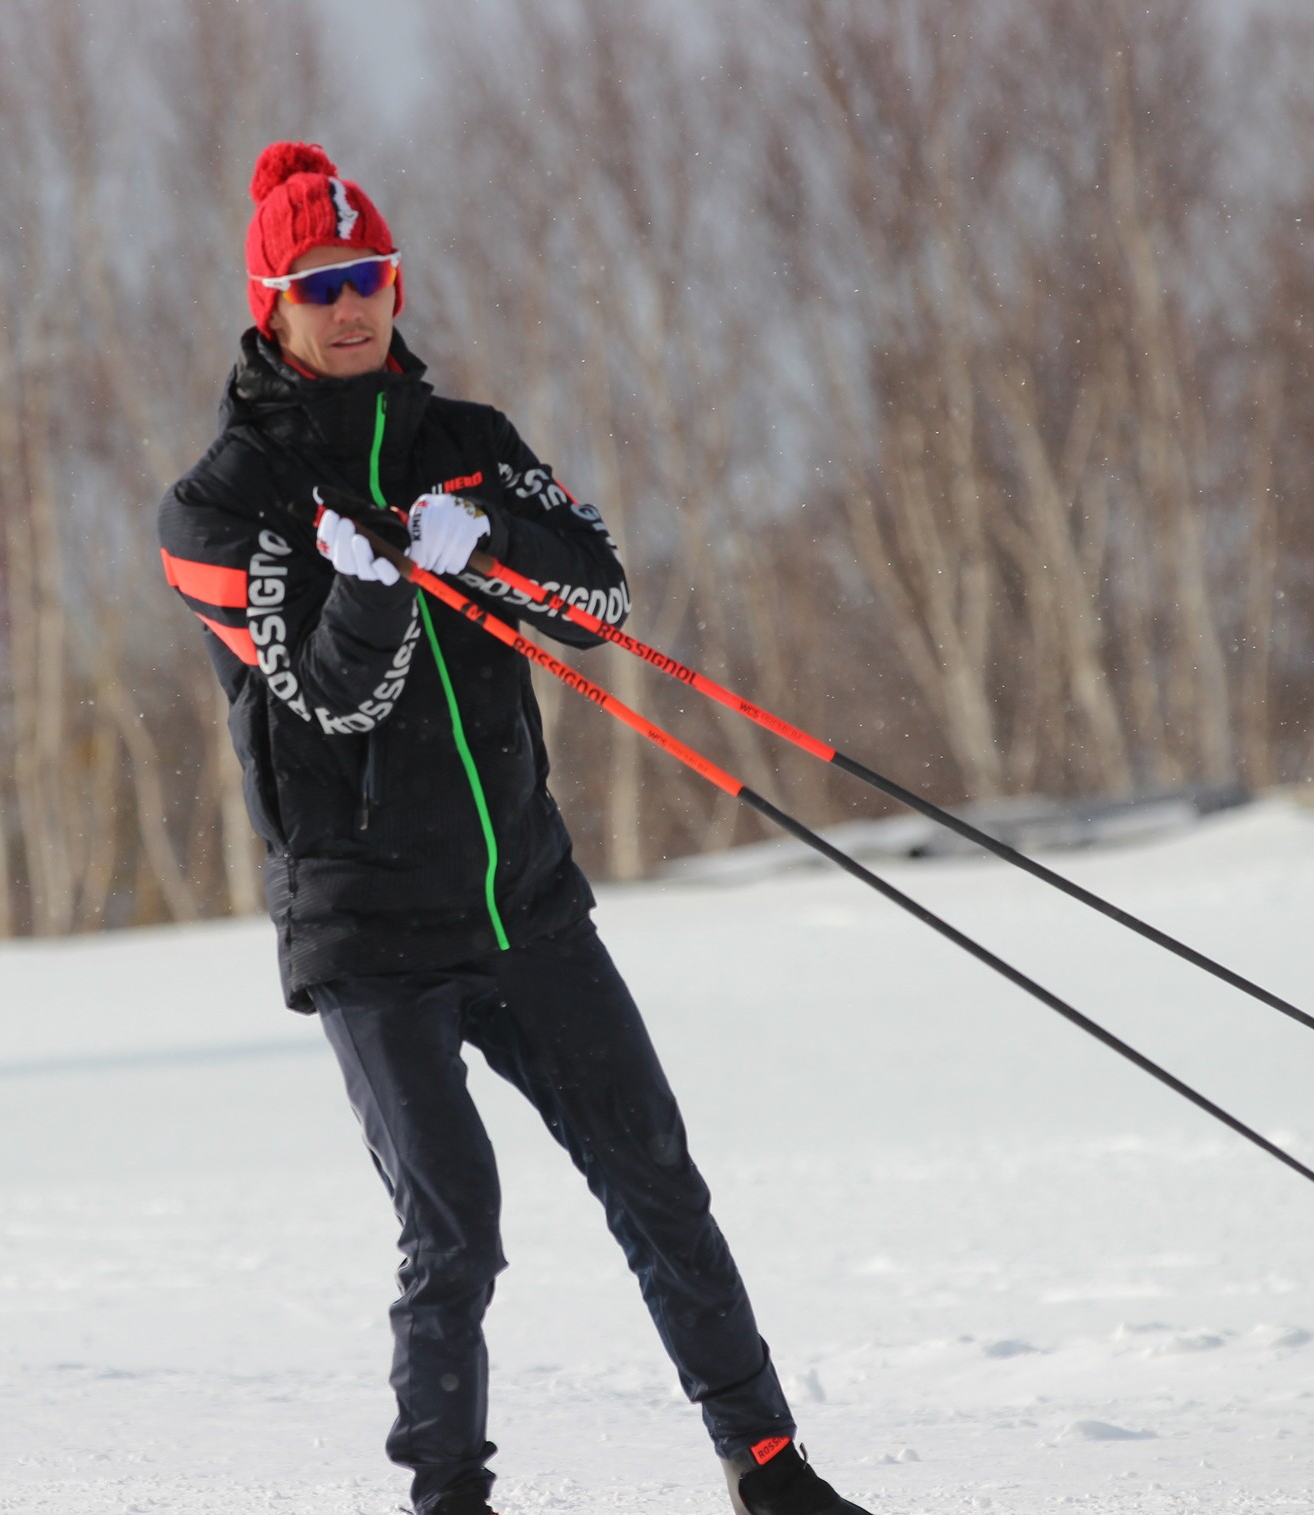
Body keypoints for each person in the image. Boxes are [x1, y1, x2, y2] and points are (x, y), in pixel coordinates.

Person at [156, 141, 874, 1515]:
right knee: (457, 1234)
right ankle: (448, 1499)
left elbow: (597, 597)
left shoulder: (467, 445)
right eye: (320, 284)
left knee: (657, 1179)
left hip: (523, 900)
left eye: (368, 275)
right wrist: (370, 587)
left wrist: (475, 545)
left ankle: (770, 1466)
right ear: (271, 303)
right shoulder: (220, 503)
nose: (352, 303)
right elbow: (330, 699)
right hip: (367, 926)